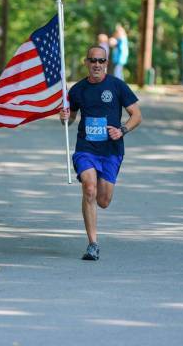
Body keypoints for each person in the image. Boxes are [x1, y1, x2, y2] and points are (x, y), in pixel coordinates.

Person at [60, 45, 141, 261]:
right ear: (86, 62)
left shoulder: (117, 86)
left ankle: (95, 209)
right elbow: (70, 121)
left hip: (111, 151)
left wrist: (122, 130)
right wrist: (64, 116)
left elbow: (136, 115)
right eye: (93, 60)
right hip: (86, 148)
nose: (97, 64)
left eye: (101, 61)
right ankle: (93, 244)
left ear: (106, 63)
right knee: (89, 188)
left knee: (103, 200)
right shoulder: (77, 90)